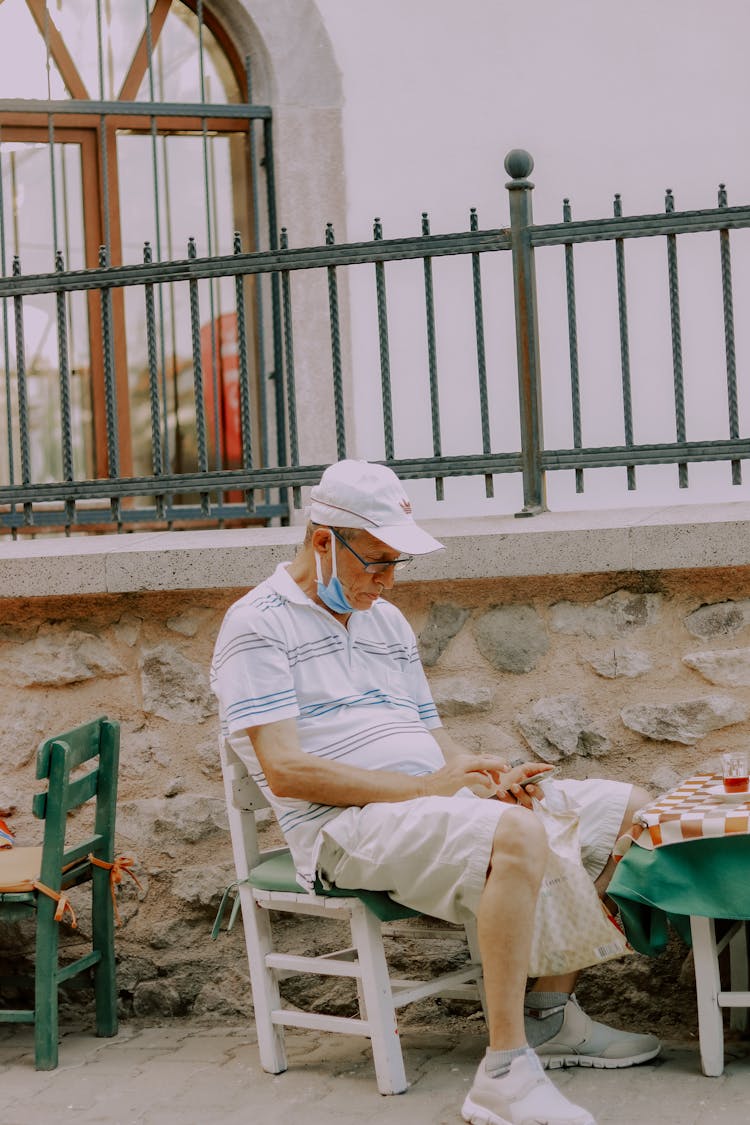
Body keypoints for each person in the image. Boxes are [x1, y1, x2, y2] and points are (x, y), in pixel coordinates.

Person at [211, 459, 660, 1125]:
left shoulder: (385, 621)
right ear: (323, 539)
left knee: (629, 811)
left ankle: (548, 1016)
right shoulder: (257, 625)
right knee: (517, 836)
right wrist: (428, 787)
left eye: (397, 563)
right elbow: (285, 771)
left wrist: (484, 775)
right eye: (378, 561)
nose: (388, 579)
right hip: (343, 827)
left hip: (432, 802)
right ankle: (504, 1074)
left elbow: (431, 739)